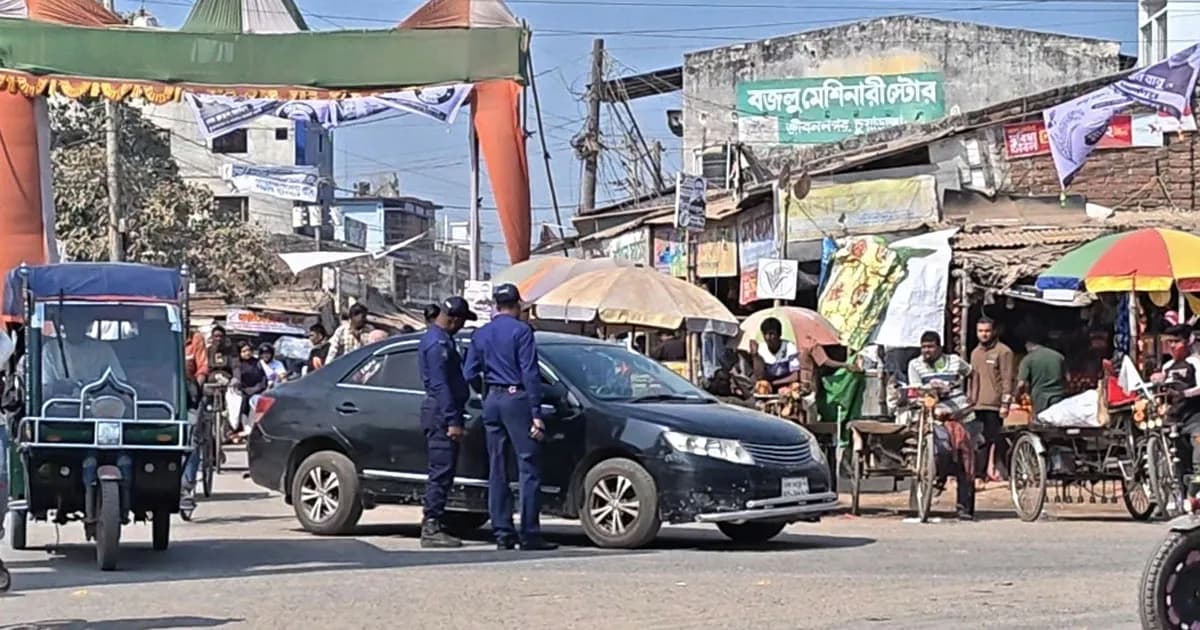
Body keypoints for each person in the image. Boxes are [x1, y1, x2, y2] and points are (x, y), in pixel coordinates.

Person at [462, 283, 557, 551]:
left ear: (496, 306)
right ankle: (529, 533)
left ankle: (502, 532)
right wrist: (536, 413)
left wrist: (484, 391)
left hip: (492, 400)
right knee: (528, 467)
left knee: (497, 467)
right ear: (516, 306)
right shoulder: (522, 331)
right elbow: (530, 372)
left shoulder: (481, 334)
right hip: (517, 399)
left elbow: (469, 372)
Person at [416, 296, 476, 548]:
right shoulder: (437, 344)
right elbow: (441, 385)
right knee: (440, 471)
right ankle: (431, 524)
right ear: (453, 319)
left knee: (445, 470)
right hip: (441, 412)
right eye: (462, 322)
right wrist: (453, 419)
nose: (462, 327)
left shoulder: (439, 339)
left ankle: (436, 520)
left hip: (442, 410)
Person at [907, 331, 976, 520]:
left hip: (960, 413)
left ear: (939, 347)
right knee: (942, 449)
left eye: (930, 347)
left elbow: (972, 373)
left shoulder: (954, 361)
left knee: (966, 458)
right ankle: (939, 479)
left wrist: (973, 397)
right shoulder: (915, 365)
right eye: (923, 347)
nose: (926, 351)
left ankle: (964, 508)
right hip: (933, 415)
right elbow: (917, 390)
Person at [1155, 324, 1200, 497]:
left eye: (1177, 342)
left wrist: (1183, 393)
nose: (1172, 346)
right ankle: (1180, 498)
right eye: (1169, 342)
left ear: (1188, 342)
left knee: (1198, 461)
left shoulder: (1196, 363)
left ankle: (1195, 495)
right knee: (1178, 462)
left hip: (1196, 419)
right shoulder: (1167, 367)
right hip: (1174, 421)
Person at [968, 318, 1014, 482]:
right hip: (977, 405)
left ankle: (1007, 473)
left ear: (994, 331)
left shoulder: (1003, 351)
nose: (984, 334)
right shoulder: (974, 353)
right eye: (980, 331)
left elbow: (1007, 378)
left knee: (998, 440)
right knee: (979, 442)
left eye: (987, 331)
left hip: (995, 406)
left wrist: (1005, 403)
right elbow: (972, 379)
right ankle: (979, 475)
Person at [1017, 330, 1067, 416]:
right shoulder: (1059, 356)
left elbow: (1021, 384)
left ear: (1028, 345)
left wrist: (1017, 396)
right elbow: (1067, 378)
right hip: (1057, 395)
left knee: (1040, 423)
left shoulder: (1028, 359)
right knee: (1056, 420)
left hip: (1039, 397)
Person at [227, 342, 267, 441]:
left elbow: (263, 377)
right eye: (244, 351)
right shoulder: (237, 363)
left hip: (258, 389)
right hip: (242, 391)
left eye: (249, 351)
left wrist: (258, 388)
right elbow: (237, 378)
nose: (247, 353)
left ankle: (250, 431)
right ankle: (243, 430)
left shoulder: (257, 362)